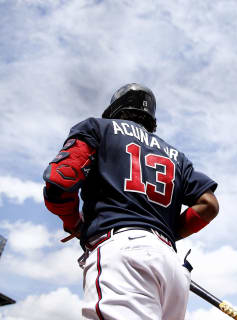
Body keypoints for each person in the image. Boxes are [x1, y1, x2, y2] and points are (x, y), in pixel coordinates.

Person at [43, 83, 219, 320]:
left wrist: (75, 223)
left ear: (116, 108)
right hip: (171, 265)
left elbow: (60, 181)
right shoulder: (178, 157)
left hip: (123, 255)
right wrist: (160, 233)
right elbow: (209, 205)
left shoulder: (97, 127)